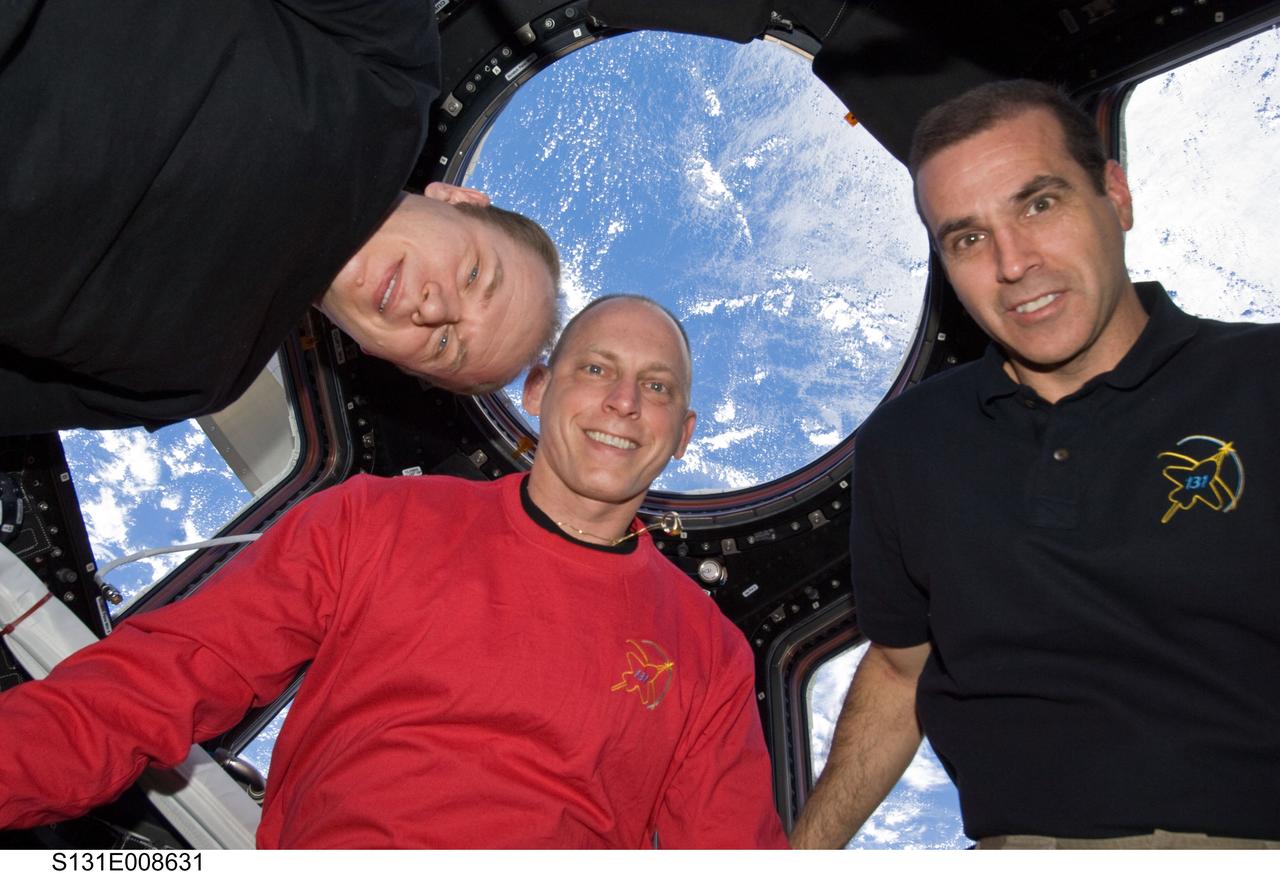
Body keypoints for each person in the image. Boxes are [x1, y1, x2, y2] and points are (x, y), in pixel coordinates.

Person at [0, 295, 789, 849]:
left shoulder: (707, 653)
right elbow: (157, 683)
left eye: (656, 387)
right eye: (597, 370)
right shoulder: (372, 519)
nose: (624, 402)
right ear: (540, 388)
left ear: (680, 433)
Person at [791, 80, 1280, 849]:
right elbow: (898, 671)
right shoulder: (906, 444)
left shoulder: (1262, 379)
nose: (1013, 263)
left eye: (1038, 204)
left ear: (1115, 195)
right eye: (968, 238)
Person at [0, 0, 558, 437]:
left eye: (443, 347)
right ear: (457, 200)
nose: (433, 308)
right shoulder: (386, 60)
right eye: (474, 276)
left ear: (384, 358)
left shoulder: (195, 382)